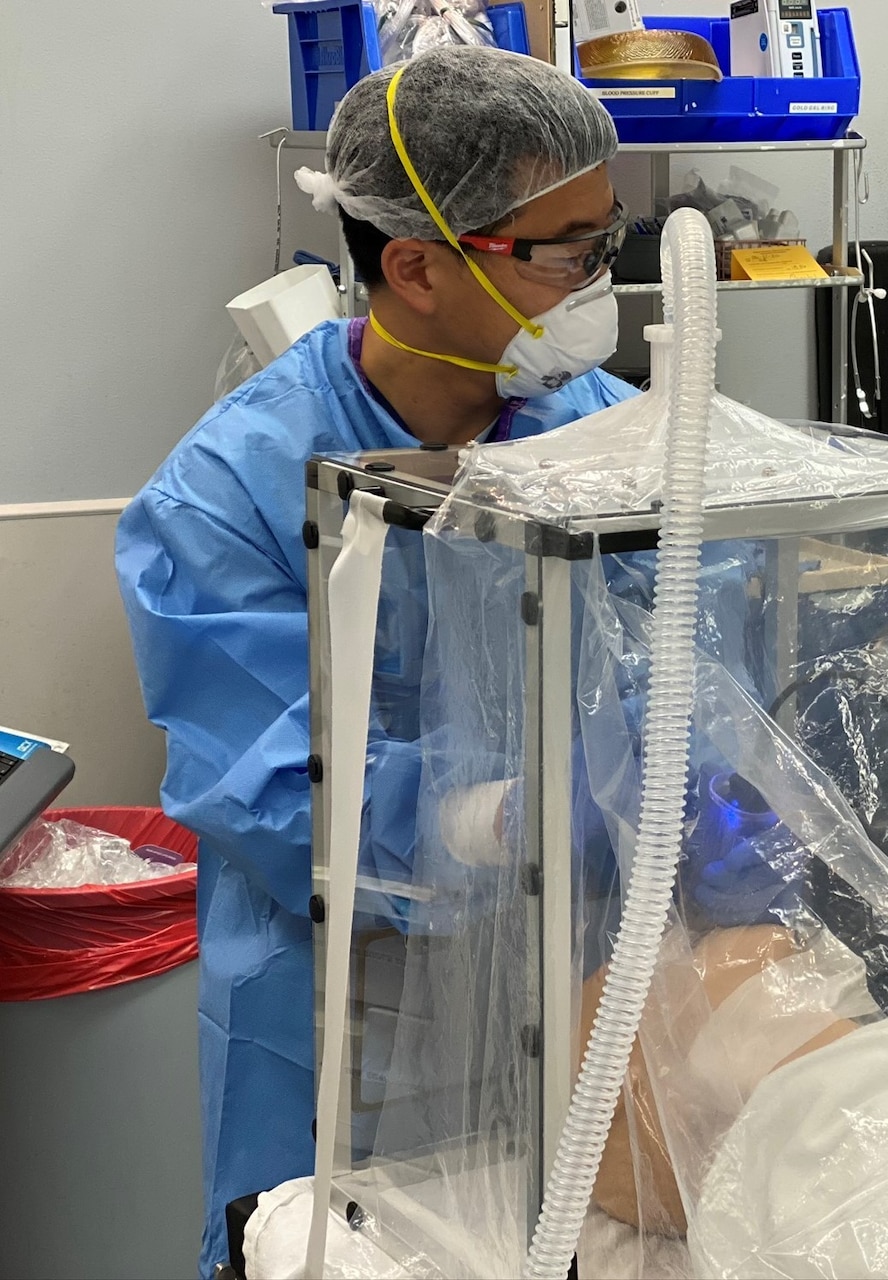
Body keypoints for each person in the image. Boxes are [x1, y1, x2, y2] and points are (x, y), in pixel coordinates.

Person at [115, 45, 638, 1278]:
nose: (593, 280)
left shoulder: (601, 431)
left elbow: (690, 657)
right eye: (562, 251)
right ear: (414, 264)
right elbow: (261, 779)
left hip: (575, 989)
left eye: (604, 238)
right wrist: (489, 816)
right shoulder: (226, 492)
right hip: (342, 1018)